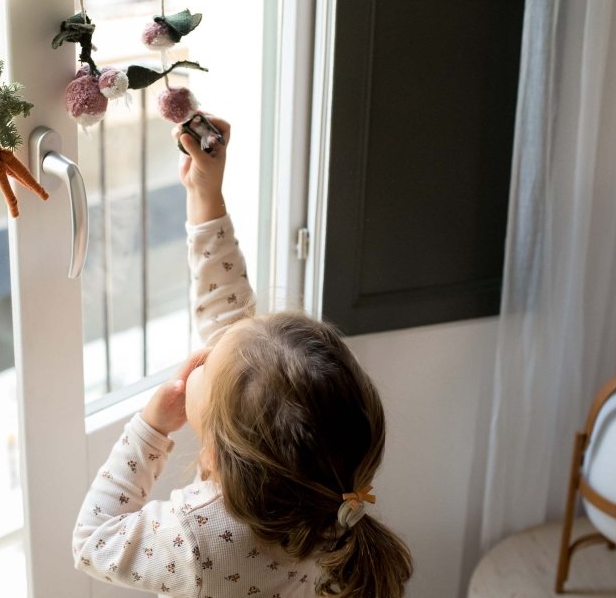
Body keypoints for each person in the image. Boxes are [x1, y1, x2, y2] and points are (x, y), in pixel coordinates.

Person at [72, 116, 413, 597]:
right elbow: (234, 335)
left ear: (215, 452)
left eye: (209, 370)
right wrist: (205, 196)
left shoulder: (197, 537)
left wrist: (148, 431)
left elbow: (92, 541)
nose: (206, 356)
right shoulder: (324, 493)